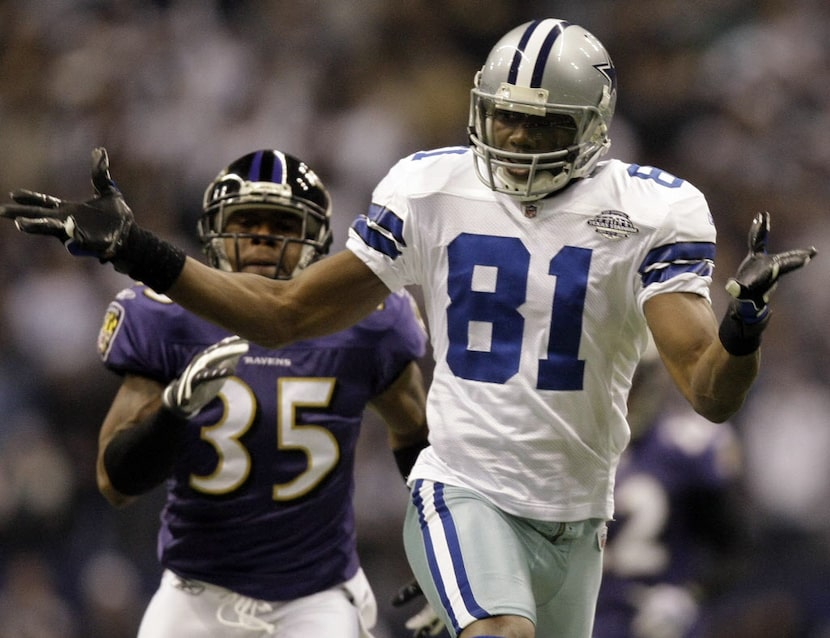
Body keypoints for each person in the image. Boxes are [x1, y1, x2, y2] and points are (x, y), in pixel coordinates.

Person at [0, 17, 817, 638]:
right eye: (506, 119)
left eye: (544, 126)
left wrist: (742, 327)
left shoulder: (653, 211)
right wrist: (140, 250)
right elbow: (285, 315)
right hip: (463, 487)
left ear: (594, 126)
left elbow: (708, 391)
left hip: (577, 510)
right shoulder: (431, 188)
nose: (519, 141)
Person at [90, 149, 429, 637]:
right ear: (213, 231)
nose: (263, 237)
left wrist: (447, 562)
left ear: (315, 239)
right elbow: (113, 482)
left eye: (282, 225)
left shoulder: (367, 321)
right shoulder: (163, 318)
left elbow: (417, 439)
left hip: (317, 593)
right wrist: (172, 411)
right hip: (196, 587)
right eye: (247, 221)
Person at [593, 345, 748, 638]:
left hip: (656, 624)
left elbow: (735, 546)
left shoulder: (684, 447)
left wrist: (691, 595)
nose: (626, 394)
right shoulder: (573, 448)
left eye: (633, 380)